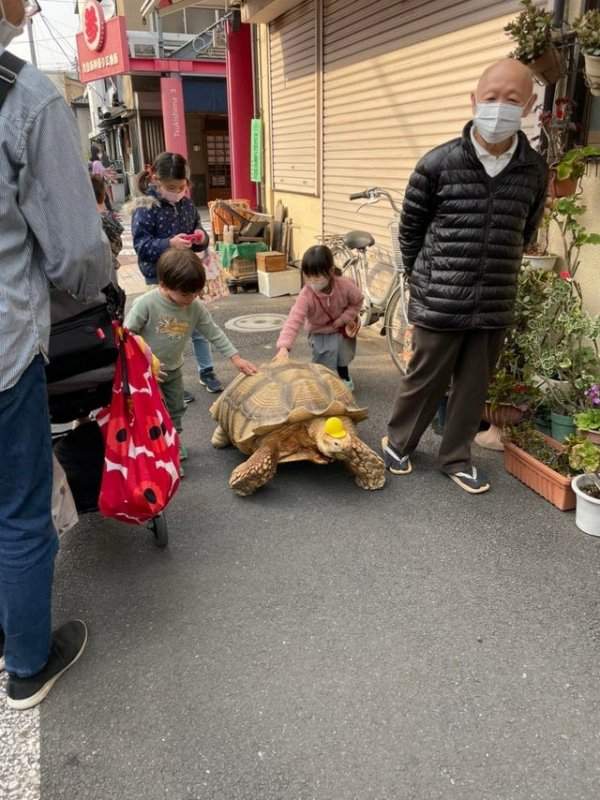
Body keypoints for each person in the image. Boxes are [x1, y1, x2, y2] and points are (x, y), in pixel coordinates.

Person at [0, 0, 113, 709]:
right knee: (19, 508)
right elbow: (77, 254)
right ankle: (28, 664)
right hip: (3, 351)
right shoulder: (22, 93)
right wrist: (92, 286)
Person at [382, 59, 548, 495]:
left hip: (494, 297)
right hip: (441, 293)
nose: (499, 107)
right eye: (491, 98)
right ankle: (398, 442)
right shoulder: (437, 163)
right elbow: (411, 231)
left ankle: (454, 457)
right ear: (474, 100)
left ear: (529, 105)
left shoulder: (533, 170)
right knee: (425, 376)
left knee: (474, 385)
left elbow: (525, 230)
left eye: (512, 100)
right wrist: (423, 283)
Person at [124, 248, 258, 476]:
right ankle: (158, 452)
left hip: (174, 369)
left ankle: (173, 440)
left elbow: (213, 332)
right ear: (164, 285)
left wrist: (235, 357)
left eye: (195, 294)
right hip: (145, 373)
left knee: (176, 408)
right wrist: (144, 358)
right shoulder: (146, 304)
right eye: (186, 295)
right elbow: (127, 333)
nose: (190, 300)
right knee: (149, 413)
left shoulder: (194, 306)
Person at [131, 152, 225, 395]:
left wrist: (201, 238)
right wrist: (168, 244)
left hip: (185, 274)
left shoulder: (186, 203)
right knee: (166, 332)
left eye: (181, 186)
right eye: (171, 187)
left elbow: (197, 231)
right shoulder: (145, 205)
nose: (177, 191)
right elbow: (141, 246)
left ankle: (207, 371)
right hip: (160, 279)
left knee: (197, 326)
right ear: (155, 179)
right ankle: (167, 378)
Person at [275, 245, 363, 390]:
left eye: (316, 276)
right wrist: (284, 347)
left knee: (343, 355)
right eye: (307, 276)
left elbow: (357, 301)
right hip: (319, 332)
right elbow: (294, 320)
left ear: (330, 271)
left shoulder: (345, 285)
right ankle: (324, 383)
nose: (311, 281)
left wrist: (344, 318)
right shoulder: (306, 295)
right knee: (323, 361)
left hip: (341, 328)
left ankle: (344, 377)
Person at [91, 174, 123, 273]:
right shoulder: (106, 219)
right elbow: (117, 245)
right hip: (107, 269)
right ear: (104, 195)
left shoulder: (86, 220)